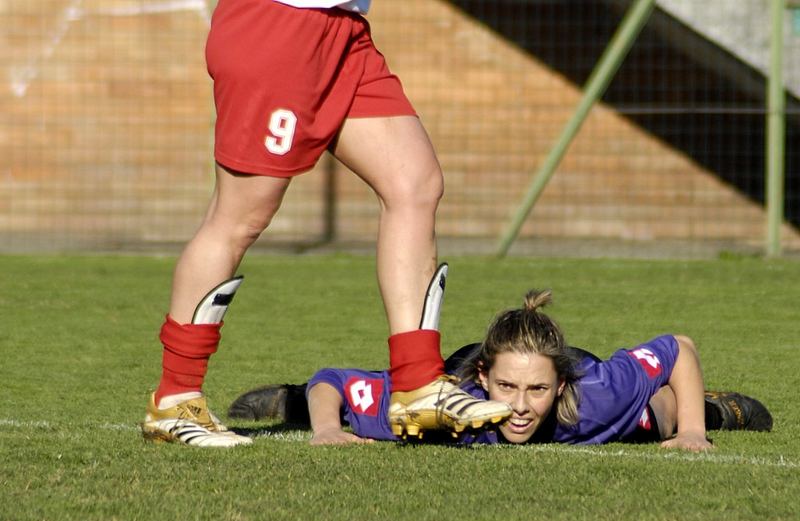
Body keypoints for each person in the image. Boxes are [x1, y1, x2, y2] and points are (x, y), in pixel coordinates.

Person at [140, 0, 508, 447]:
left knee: (414, 183)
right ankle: (176, 398)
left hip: (343, 30)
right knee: (240, 216)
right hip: (279, 24)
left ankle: (417, 384)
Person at [229, 289, 773, 450]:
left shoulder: (595, 391)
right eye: (507, 387)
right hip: (461, 361)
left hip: (587, 378)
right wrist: (325, 428)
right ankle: (288, 400)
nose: (518, 405)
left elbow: (678, 346)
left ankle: (714, 407)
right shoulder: (443, 405)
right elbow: (336, 379)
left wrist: (697, 431)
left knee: (662, 416)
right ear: (486, 378)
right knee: (346, 404)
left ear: (559, 385)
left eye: (536, 390)